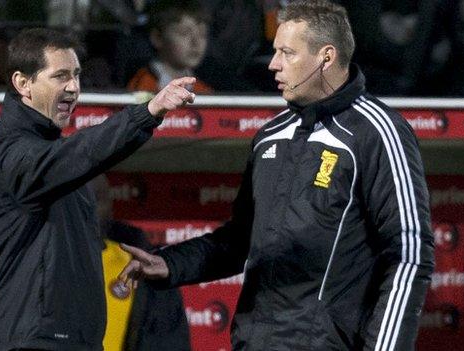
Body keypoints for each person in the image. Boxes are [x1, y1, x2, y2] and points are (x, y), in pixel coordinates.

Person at [118, 1, 435, 350]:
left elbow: (409, 252)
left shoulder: (378, 131)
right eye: (275, 52)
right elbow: (239, 241)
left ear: (325, 58)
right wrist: (169, 263)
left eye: (287, 53)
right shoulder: (270, 136)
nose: (273, 64)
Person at [0, 27, 195, 350]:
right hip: (33, 342)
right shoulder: (13, 152)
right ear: (23, 84)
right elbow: (84, 152)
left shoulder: (45, 148)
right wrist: (148, 112)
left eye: (77, 75)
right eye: (60, 76)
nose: (73, 88)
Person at [90, 175, 191, 351]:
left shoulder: (144, 270)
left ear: (110, 207)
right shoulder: (36, 264)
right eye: (76, 202)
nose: (86, 209)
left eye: (95, 199)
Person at [127, 0, 213, 93]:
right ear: (157, 38)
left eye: (202, 34)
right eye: (184, 33)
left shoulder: (203, 90)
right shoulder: (143, 85)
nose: (196, 42)